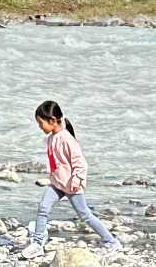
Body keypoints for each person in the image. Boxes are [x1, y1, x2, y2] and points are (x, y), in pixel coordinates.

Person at [28, 99, 118, 253]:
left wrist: (77, 179)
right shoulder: (50, 139)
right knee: (43, 207)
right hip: (57, 184)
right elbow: (56, 163)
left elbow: (80, 163)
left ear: (53, 120)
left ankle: (111, 241)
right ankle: (38, 241)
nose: (39, 127)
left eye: (41, 123)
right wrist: (50, 178)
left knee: (85, 215)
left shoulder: (67, 139)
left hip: (71, 185)